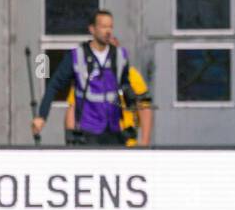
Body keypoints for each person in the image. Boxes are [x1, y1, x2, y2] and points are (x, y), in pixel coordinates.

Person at [32, 10, 154, 147]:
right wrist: (42, 116)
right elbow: (54, 85)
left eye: (110, 27)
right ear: (92, 29)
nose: (108, 31)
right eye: (103, 27)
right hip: (88, 130)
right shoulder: (76, 56)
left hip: (115, 130)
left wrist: (129, 97)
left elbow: (125, 85)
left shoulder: (120, 55)